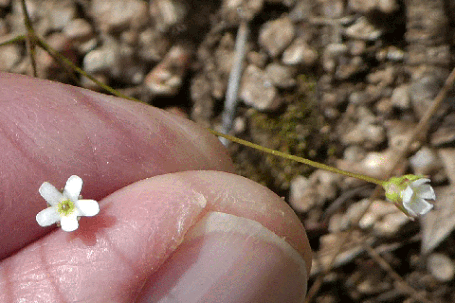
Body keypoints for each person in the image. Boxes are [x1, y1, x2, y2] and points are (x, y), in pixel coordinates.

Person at [0, 72, 312, 302]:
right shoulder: (59, 207)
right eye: (63, 206)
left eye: (65, 205)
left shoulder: (74, 200)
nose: (64, 207)